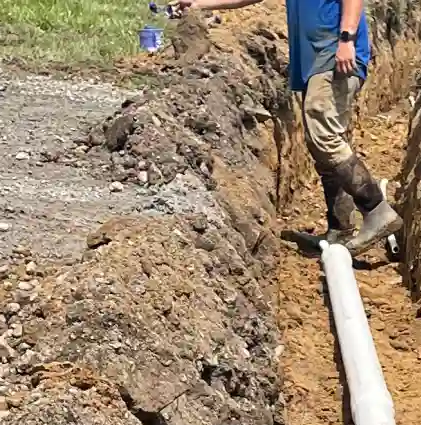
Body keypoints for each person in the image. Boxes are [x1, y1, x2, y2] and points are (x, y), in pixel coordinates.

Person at [170, 0, 401, 251]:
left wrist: (346, 39)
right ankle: (340, 230)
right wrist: (201, 4)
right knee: (320, 145)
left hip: (335, 54)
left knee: (325, 139)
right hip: (318, 58)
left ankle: (377, 210)